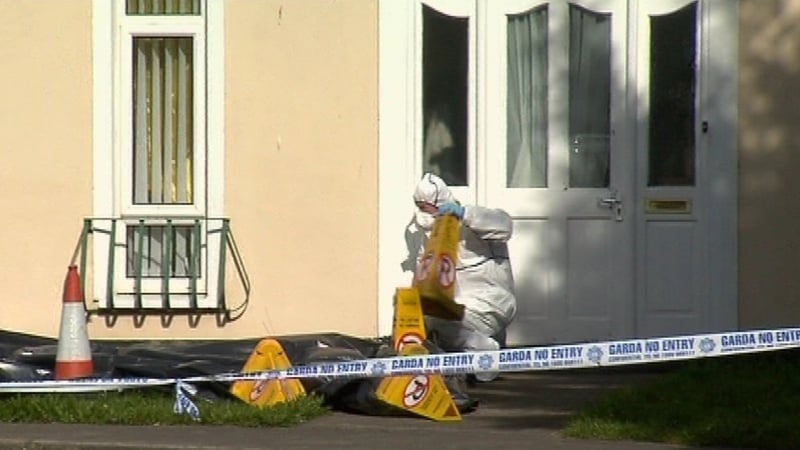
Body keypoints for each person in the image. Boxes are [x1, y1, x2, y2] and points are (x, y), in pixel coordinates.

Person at [407, 173, 517, 382]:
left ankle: (484, 350)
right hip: (466, 303)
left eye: (425, 207)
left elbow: (504, 226)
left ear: (440, 203)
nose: (421, 214)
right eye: (418, 206)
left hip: (492, 300)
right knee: (426, 318)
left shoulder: (470, 222)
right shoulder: (431, 236)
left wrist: (464, 214)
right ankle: (475, 354)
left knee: (440, 321)